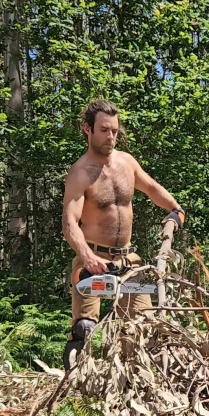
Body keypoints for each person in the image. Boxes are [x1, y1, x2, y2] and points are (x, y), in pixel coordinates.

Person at [62, 99, 185, 368]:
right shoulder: (80, 172)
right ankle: (75, 392)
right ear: (87, 129)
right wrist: (87, 257)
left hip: (129, 262)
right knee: (84, 329)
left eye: (115, 131)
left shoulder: (126, 163)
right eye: (104, 130)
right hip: (92, 263)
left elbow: (153, 189)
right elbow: (69, 223)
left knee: (143, 328)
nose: (111, 136)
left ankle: (134, 389)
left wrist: (175, 209)